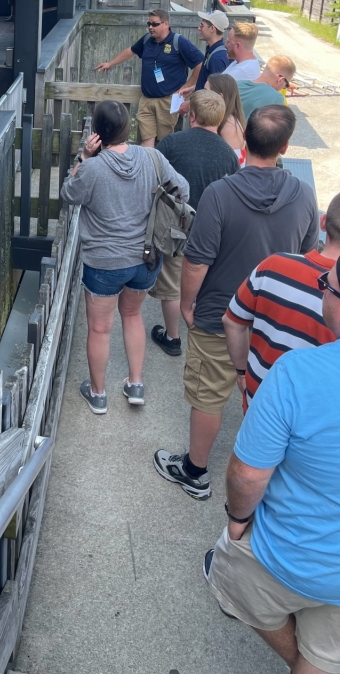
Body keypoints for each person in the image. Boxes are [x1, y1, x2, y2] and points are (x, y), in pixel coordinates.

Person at [154, 105, 319, 500]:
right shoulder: (303, 195)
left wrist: (189, 305)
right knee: (268, 395)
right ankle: (261, 475)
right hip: (275, 320)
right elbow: (307, 253)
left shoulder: (220, 194)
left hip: (219, 311)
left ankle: (194, 471)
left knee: (209, 394)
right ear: (286, 146)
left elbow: (197, 261)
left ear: (244, 140)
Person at [204, 254, 340, 674]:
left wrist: (236, 520)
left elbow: (247, 474)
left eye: (328, 284)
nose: (322, 288)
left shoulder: (297, 373)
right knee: (325, 658)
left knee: (227, 575)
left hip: (286, 554)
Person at [59, 100, 190, 413]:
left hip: (104, 263)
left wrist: (83, 158)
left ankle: (98, 393)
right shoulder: (152, 157)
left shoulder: (91, 169)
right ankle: (135, 384)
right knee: (132, 316)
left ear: (97, 133)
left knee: (100, 329)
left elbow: (68, 194)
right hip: (146, 259)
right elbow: (182, 190)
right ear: (128, 128)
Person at [224, 192, 340, 410]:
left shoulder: (273, 265)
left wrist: (242, 373)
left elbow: (232, 321)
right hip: (316, 420)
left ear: (323, 222)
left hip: (259, 400)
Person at [149, 90, 240, 357]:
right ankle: (202, 330)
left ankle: (173, 336)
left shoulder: (171, 143)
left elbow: (155, 180)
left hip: (176, 227)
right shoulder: (228, 155)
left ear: (191, 116)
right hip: (213, 229)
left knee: (172, 286)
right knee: (204, 279)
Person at [95, 9, 204, 147]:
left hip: (167, 100)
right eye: (149, 23)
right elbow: (131, 51)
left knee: (165, 142)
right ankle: (147, 167)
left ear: (165, 24)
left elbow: (200, 64)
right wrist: (110, 63)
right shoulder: (147, 40)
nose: (150, 27)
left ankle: (160, 168)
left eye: (154, 24)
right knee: (146, 141)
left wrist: (186, 87)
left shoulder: (178, 42)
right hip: (146, 100)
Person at [237, 55, 295, 120]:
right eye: (286, 85)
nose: (284, 88)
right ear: (280, 80)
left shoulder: (236, 83)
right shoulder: (276, 98)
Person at [208, 73, 247, 165]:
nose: (203, 94)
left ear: (220, 96)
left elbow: (234, 164)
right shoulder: (223, 121)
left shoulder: (229, 127)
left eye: (206, 91)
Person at [194, 11, 230, 90]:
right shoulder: (213, 51)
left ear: (212, 28)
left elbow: (215, 94)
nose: (199, 28)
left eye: (202, 25)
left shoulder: (217, 59)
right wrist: (193, 88)